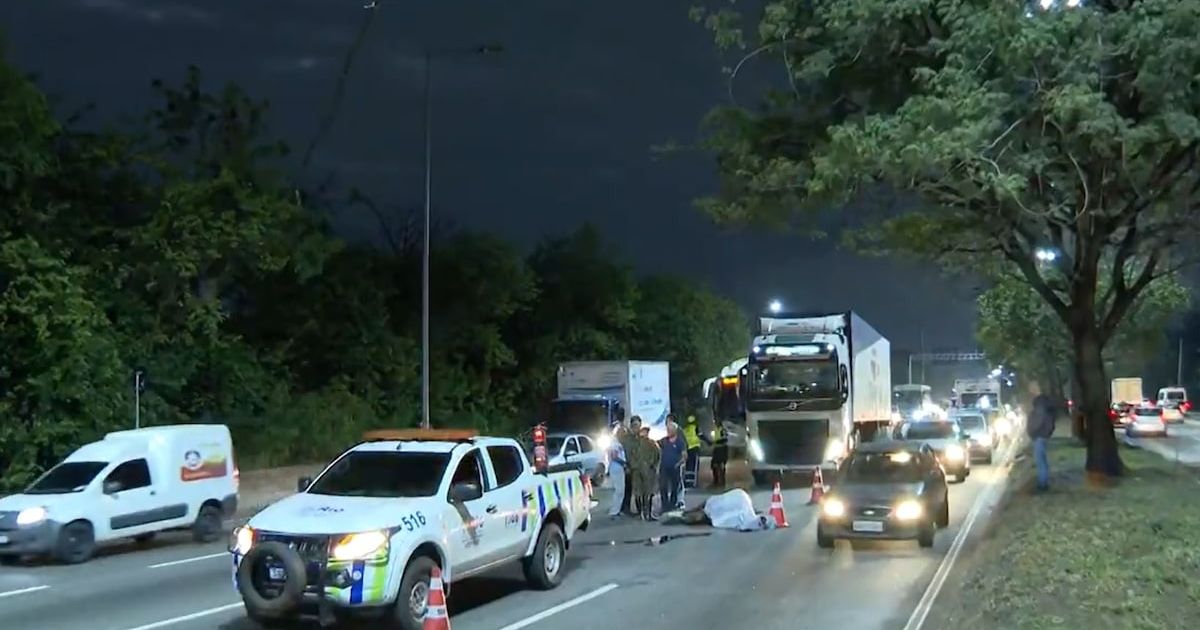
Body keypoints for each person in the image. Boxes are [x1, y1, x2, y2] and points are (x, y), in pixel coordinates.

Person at [1027, 393, 1056, 491]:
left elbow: (1036, 424)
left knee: (1040, 461)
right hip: (1044, 437)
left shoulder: (1040, 411)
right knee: (1043, 461)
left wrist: (1031, 432)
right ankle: (1044, 481)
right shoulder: (1047, 411)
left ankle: (1042, 483)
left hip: (1039, 437)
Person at [658, 419, 688, 511]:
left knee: (675, 487)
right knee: (663, 486)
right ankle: (665, 506)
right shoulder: (664, 441)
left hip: (675, 467)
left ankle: (672, 504)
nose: (668, 431)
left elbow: (684, 455)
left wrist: (679, 463)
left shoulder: (680, 442)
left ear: (675, 430)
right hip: (664, 467)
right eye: (667, 429)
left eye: (670, 430)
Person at [633, 425, 660, 520]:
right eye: (643, 431)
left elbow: (658, 455)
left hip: (649, 472)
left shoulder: (652, 443)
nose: (644, 433)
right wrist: (634, 466)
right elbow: (630, 456)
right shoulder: (635, 443)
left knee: (648, 493)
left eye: (646, 431)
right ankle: (641, 513)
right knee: (638, 492)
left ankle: (648, 513)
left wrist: (654, 465)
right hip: (637, 472)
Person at [620, 416, 642, 515]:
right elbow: (624, 453)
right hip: (629, 467)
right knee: (628, 488)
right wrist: (626, 466)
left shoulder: (641, 438)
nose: (636, 428)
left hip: (639, 467)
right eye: (634, 425)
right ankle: (625, 508)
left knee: (639, 489)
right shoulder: (626, 439)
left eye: (637, 425)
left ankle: (640, 509)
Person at [606, 424, 628, 519]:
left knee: (621, 490)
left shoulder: (618, 443)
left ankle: (617, 510)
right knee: (619, 490)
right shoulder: (614, 443)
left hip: (618, 467)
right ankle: (614, 512)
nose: (624, 435)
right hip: (616, 467)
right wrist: (624, 463)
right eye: (623, 433)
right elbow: (614, 456)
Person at [682, 415, 702, 489]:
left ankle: (687, 482)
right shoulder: (695, 428)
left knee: (688, 466)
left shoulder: (685, 429)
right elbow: (700, 435)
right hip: (694, 448)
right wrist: (709, 442)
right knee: (694, 466)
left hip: (687, 449)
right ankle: (693, 483)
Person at [710, 422, 729, 489]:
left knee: (721, 465)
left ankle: (722, 482)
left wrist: (716, 442)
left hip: (722, 449)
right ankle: (716, 481)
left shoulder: (722, 430)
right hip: (717, 449)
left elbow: (725, 439)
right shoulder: (715, 430)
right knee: (714, 465)